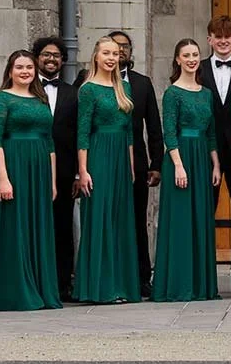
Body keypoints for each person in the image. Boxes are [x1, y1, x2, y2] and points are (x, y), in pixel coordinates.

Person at [0, 50, 61, 311]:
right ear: (10, 71)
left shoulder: (41, 100)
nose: (25, 71)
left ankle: (41, 288)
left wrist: (51, 181)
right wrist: (3, 179)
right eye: (19, 67)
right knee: (14, 226)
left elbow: (49, 142)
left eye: (29, 67)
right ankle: (14, 291)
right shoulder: (0, 100)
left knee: (36, 226)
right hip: (13, 166)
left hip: (39, 170)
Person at [152, 39, 222, 302]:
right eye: (186, 55)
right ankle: (178, 285)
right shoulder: (173, 93)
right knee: (180, 221)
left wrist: (215, 164)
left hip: (202, 158)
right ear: (177, 60)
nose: (192, 59)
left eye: (195, 54)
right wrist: (179, 166)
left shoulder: (206, 93)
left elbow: (212, 132)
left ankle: (201, 285)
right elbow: (169, 132)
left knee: (200, 220)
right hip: (180, 158)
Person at [75, 36, 142, 303]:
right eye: (106, 53)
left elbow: (128, 132)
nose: (112, 57)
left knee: (119, 219)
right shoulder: (88, 89)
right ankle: (99, 288)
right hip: (98, 156)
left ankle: (121, 286)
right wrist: (83, 170)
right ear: (96, 56)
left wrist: (132, 165)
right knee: (100, 219)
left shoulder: (124, 86)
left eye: (116, 53)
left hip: (120, 159)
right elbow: (83, 132)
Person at [109, 30, 165, 300]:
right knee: (107, 219)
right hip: (103, 161)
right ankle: (110, 275)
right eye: (114, 46)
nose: (120, 51)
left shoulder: (142, 83)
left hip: (137, 164)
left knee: (137, 220)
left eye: (125, 47)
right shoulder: (89, 81)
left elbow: (153, 127)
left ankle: (143, 277)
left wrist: (157, 164)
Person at [32, 36, 79, 301]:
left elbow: (77, 135)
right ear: (37, 58)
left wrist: (75, 174)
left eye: (56, 56)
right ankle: (35, 281)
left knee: (62, 228)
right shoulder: (25, 88)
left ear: (63, 60)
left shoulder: (73, 93)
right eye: (46, 55)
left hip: (62, 172)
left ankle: (63, 284)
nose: (51, 60)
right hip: (30, 168)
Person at [198, 16, 231, 209]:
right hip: (206, 148)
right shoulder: (197, 68)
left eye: (228, 36)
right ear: (209, 39)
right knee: (206, 206)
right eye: (218, 36)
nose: (223, 41)